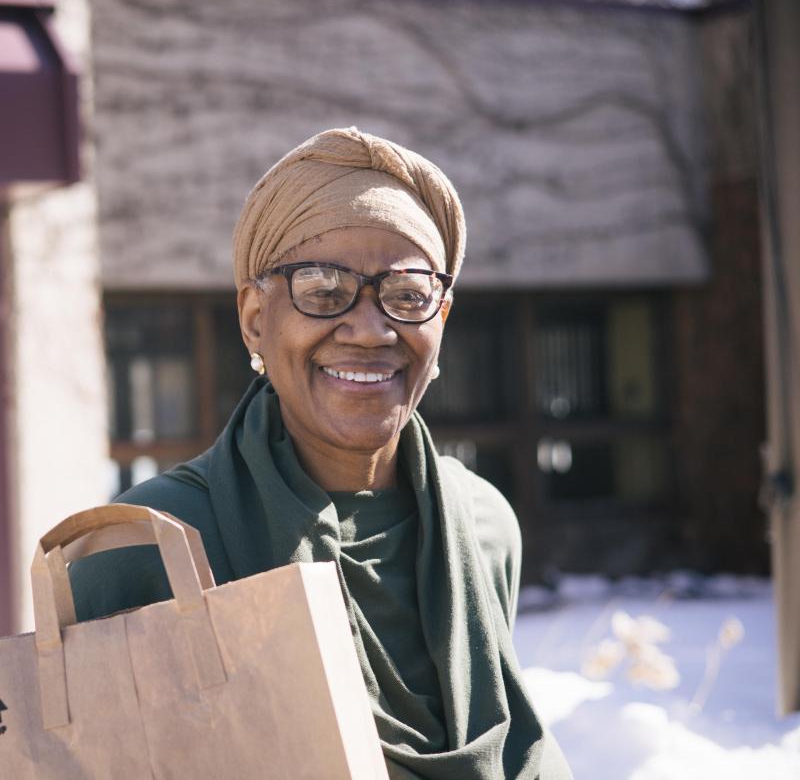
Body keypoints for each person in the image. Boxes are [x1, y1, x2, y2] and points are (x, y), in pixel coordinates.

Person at [70, 127, 572, 779]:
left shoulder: (482, 525)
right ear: (255, 316)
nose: (369, 328)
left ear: (441, 320)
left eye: (408, 294)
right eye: (323, 289)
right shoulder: (145, 546)